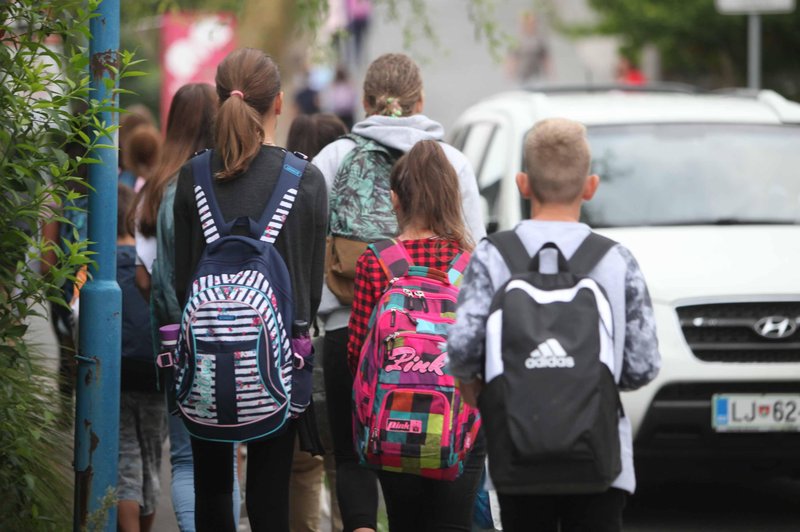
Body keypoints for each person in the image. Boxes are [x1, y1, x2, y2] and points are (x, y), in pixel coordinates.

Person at [448, 118, 661, 532]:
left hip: (517, 456)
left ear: (523, 184)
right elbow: (643, 365)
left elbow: (461, 352)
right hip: (600, 460)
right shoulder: (616, 261)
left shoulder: (493, 257)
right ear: (591, 186)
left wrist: (486, 397)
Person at [311, 52, 485, 532]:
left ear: (366, 102)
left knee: (354, 456)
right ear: (420, 101)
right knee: (454, 454)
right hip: (444, 350)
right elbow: (476, 248)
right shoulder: (452, 161)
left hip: (352, 328)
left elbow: (313, 247)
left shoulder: (334, 157)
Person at [172, 47, 328, 532]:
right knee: (269, 489)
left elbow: (183, 281)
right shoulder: (306, 179)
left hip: (204, 355)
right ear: (279, 104)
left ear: (221, 101)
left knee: (212, 486)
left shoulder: (193, 175)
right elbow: (311, 288)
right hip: (282, 359)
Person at [347, 140, 486, 531]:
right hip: (460, 425)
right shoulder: (471, 262)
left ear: (395, 199)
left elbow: (358, 354)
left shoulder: (377, 261)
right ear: (451, 198)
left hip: (394, 422)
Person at [127, 83, 242, 532]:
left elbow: (144, 276)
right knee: (227, 460)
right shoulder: (230, 182)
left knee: (185, 460)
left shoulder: (155, 190)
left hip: (177, 342)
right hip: (232, 338)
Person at [285, 112, 348, 532]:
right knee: (347, 463)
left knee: (302, 467)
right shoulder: (351, 196)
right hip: (345, 335)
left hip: (297, 345)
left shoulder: (285, 194)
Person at [115, 183, 168, 532]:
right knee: (151, 458)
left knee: (125, 458)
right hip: (155, 373)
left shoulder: (98, 264)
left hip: (118, 376)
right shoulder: (149, 260)